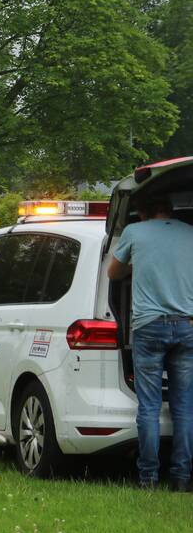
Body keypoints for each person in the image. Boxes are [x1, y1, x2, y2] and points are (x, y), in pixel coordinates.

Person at [108, 191, 193, 491]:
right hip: (187, 327)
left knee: (149, 407)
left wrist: (138, 265)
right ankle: (182, 478)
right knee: (184, 406)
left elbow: (113, 272)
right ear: (170, 211)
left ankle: (148, 478)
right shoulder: (190, 233)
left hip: (149, 327)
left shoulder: (134, 231)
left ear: (142, 213)